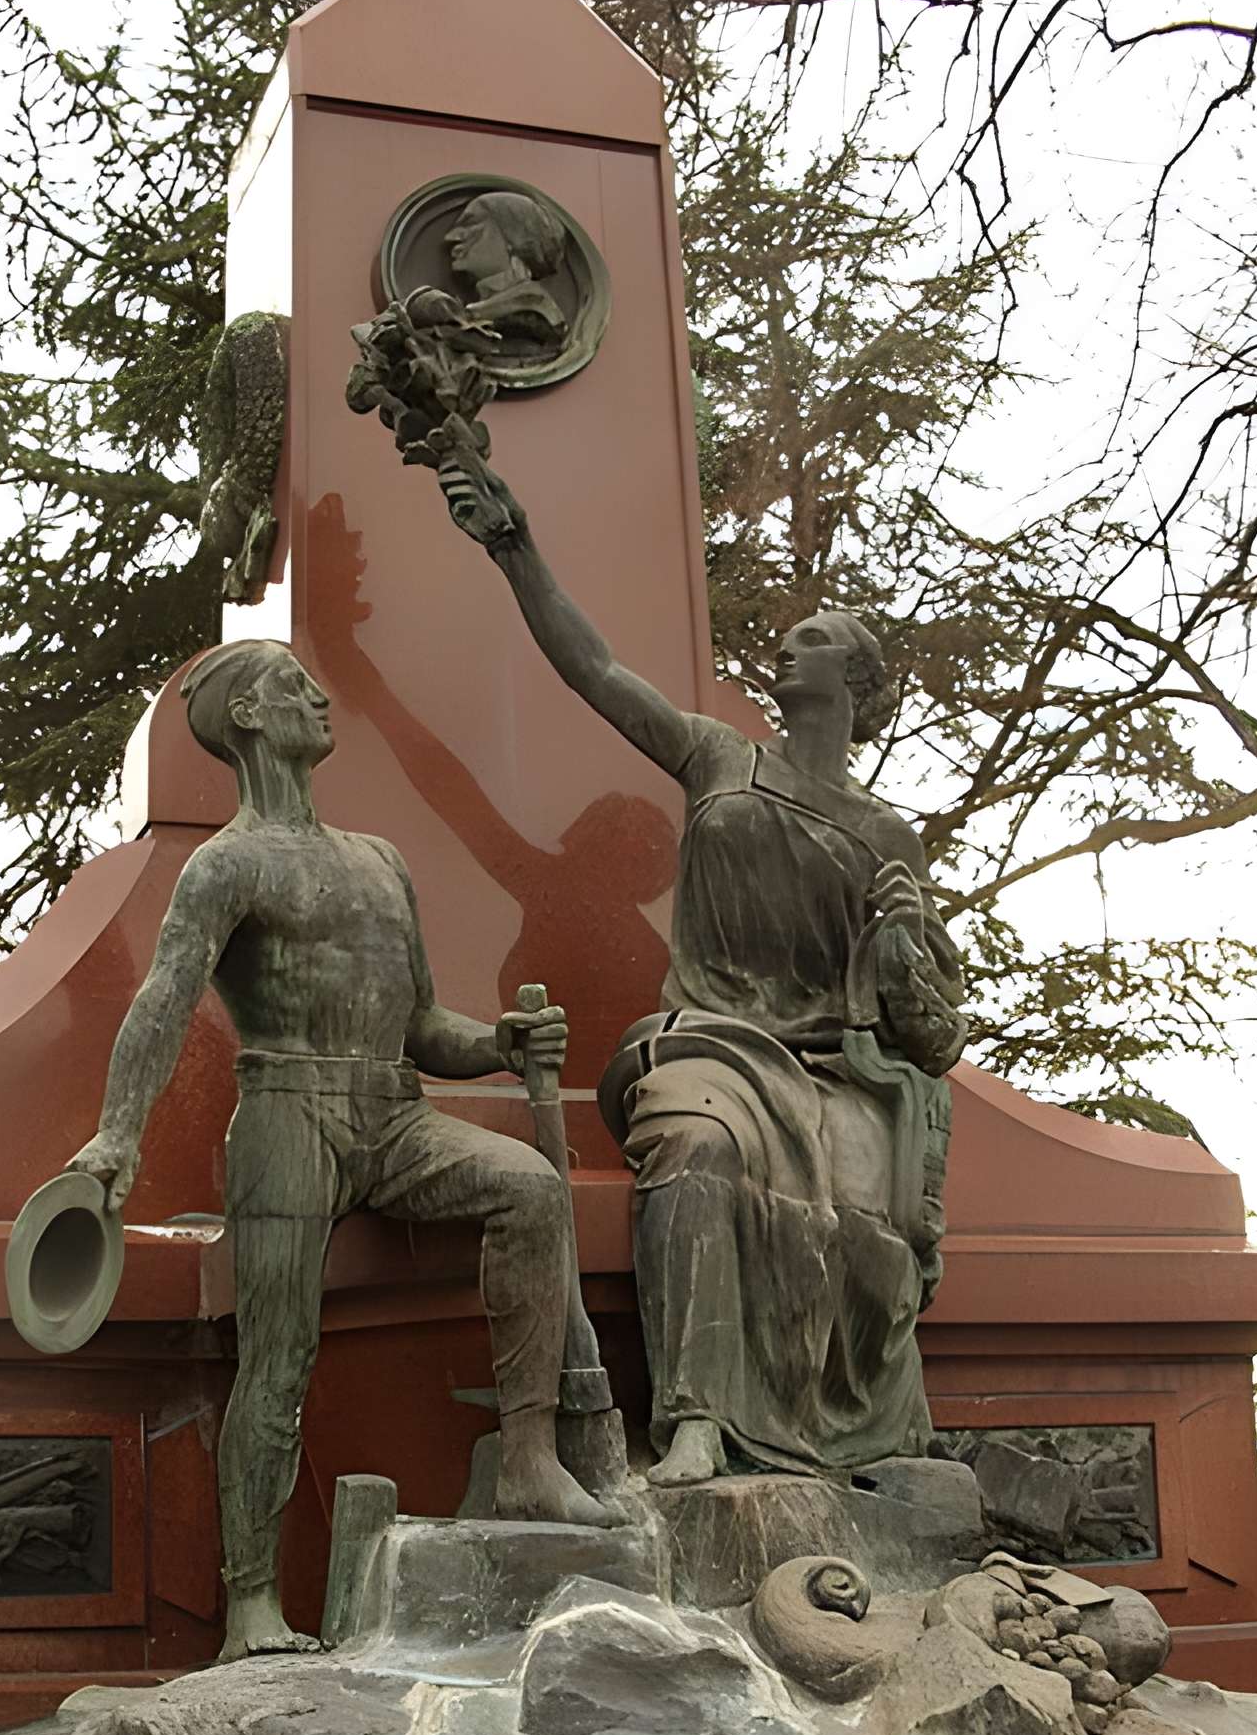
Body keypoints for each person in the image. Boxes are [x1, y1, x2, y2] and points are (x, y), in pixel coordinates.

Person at [67, 638, 615, 1662]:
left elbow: (421, 1030)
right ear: (246, 720)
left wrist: (496, 1043)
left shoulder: (380, 862)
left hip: (394, 1111)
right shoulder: (226, 865)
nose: (319, 699)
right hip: (287, 1115)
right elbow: (162, 1002)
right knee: (278, 1357)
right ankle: (251, 1608)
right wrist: (115, 1135)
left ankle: (533, 1460)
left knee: (533, 1187)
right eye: (292, 687)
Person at [436, 456, 968, 1487]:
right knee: (693, 1147)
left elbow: (930, 1031)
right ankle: (694, 1418)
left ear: (855, 688)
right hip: (710, 1045)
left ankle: (823, 1425)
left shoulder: (887, 838)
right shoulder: (720, 759)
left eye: (813, 641)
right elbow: (594, 671)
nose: (786, 643)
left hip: (830, 1075)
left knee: (868, 1225)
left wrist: (903, 937)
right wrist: (517, 548)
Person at [444, 190, 568, 346]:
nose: (450, 237)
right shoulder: (482, 307)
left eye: (471, 223)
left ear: (515, 238)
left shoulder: (537, 314)